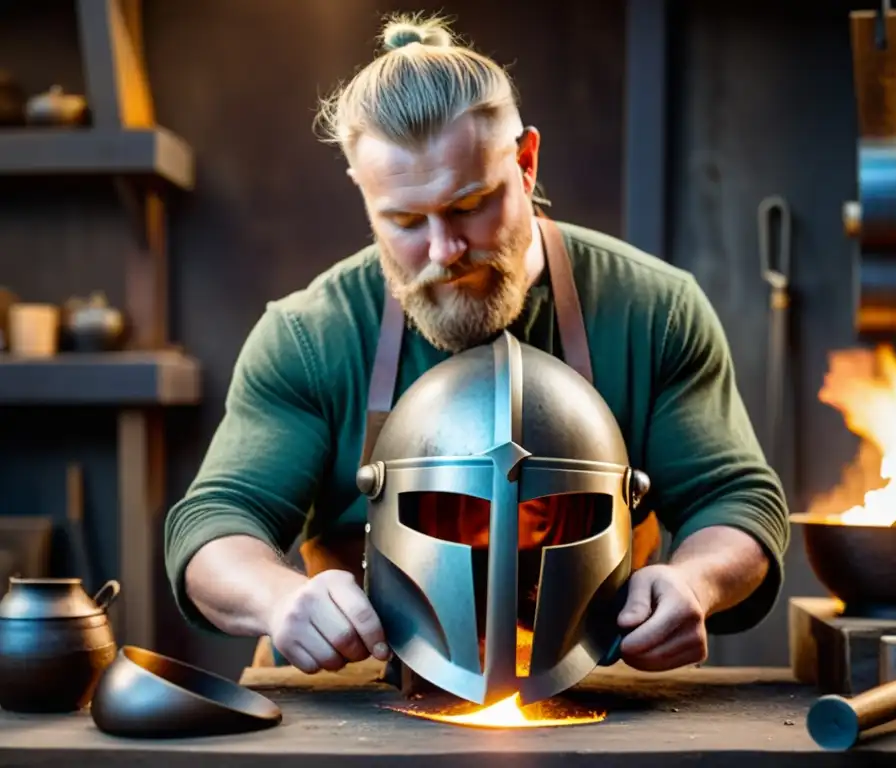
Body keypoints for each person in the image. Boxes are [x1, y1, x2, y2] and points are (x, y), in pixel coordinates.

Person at [165, 13, 790, 679]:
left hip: (597, 697)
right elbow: (212, 526)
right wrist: (279, 597)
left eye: (470, 206)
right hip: (359, 708)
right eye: (404, 221)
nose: (443, 252)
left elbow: (739, 500)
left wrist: (695, 581)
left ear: (525, 162)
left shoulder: (655, 311)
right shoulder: (311, 335)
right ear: (363, 191)